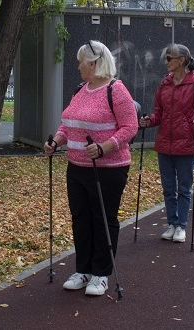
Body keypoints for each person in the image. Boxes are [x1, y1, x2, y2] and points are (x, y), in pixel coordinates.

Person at [43, 40, 138, 297]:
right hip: (76, 166)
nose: (78, 66)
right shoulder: (80, 89)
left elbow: (130, 127)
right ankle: (83, 269)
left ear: (94, 63)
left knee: (103, 220)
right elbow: (68, 125)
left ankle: (101, 273)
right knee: (80, 219)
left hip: (108, 168)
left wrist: (105, 146)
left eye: (81, 62)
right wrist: (56, 141)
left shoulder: (116, 90)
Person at [139, 44, 194, 243]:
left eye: (169, 58)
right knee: (168, 187)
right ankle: (171, 223)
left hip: (186, 142)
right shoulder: (164, 84)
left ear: (182, 60)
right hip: (164, 142)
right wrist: (149, 121)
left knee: (184, 188)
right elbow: (158, 114)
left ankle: (181, 226)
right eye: (166, 58)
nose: (166, 62)